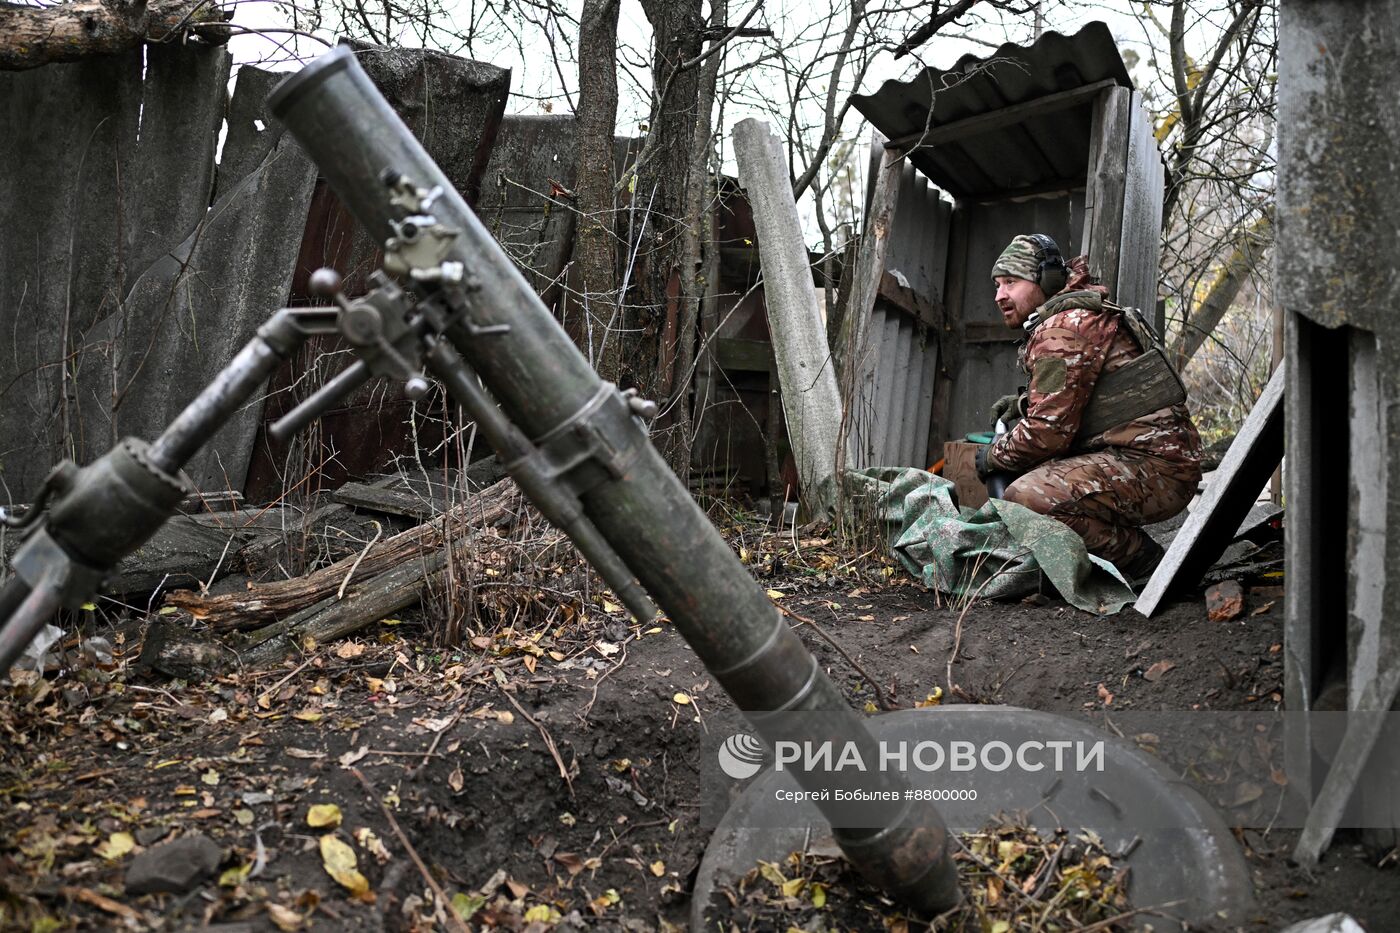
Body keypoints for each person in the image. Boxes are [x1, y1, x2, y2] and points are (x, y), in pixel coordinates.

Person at [974, 234, 1203, 580]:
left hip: (1158, 469)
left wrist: (992, 456)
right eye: (996, 285)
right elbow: (1086, 398)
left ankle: (1142, 561)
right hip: (1147, 460)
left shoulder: (1062, 330)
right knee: (1030, 477)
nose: (999, 295)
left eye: (1010, 282)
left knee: (1025, 497)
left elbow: (1047, 433)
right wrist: (1024, 405)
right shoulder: (1072, 318)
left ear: (1045, 281)